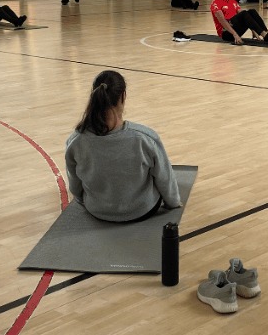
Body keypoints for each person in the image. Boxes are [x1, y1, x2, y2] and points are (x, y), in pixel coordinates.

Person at [64, 70, 182, 222]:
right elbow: (165, 177)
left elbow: (75, 184)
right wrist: (173, 203)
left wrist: (84, 201)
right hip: (142, 210)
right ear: (123, 96)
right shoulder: (144, 137)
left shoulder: (75, 140)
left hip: (97, 210)